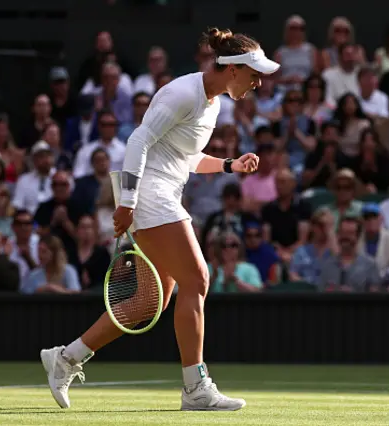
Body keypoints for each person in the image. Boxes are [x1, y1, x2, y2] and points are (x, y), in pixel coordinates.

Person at [40, 28, 278, 411]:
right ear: (233, 69)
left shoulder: (213, 104)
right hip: (149, 195)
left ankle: (66, 358)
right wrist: (128, 203)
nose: (258, 81)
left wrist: (229, 165)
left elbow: (187, 158)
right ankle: (196, 389)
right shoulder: (181, 93)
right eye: (254, 73)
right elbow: (138, 141)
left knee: (150, 302)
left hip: (163, 193)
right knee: (198, 279)